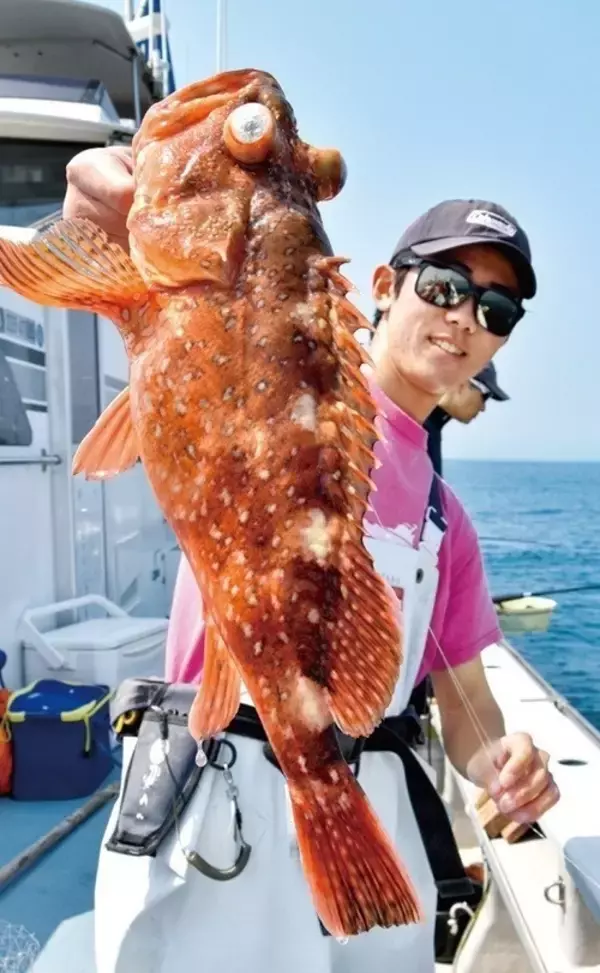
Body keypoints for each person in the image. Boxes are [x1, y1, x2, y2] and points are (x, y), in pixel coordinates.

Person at [63, 148, 560, 973]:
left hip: (363, 801)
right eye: (444, 286)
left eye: (497, 308)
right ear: (380, 288)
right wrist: (102, 199)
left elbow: (468, 701)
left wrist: (503, 765)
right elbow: (130, 274)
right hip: (216, 782)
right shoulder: (262, 374)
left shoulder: (450, 521)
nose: (466, 316)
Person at [424, 360, 509, 476]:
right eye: (485, 396)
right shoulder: (416, 426)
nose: (483, 408)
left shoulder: (430, 426)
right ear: (461, 384)